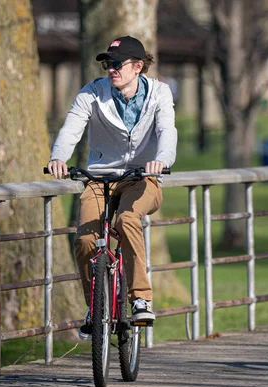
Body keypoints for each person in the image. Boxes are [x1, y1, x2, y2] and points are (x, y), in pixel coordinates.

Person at [46, 36, 177, 340]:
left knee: (127, 220)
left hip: (142, 178)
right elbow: (72, 127)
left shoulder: (159, 93)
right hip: (99, 178)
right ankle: (96, 304)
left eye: (117, 64)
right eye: (108, 64)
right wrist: (58, 157)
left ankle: (141, 298)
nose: (111, 70)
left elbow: (166, 130)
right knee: (84, 240)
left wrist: (161, 160)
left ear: (138, 67)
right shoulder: (92, 92)